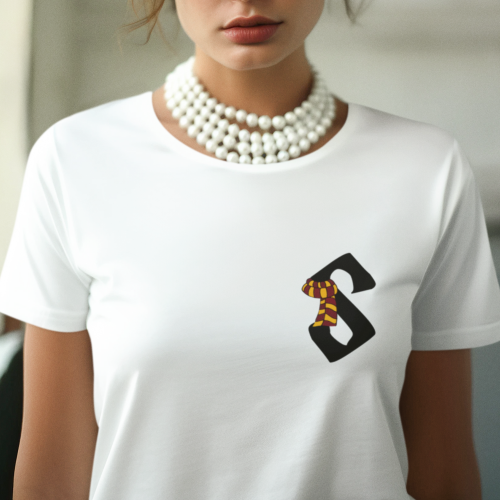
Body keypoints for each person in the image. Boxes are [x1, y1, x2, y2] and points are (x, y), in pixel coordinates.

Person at [0, 0, 499, 498]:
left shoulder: (426, 169)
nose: (245, 2)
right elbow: (52, 479)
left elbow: (445, 476)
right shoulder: (75, 161)